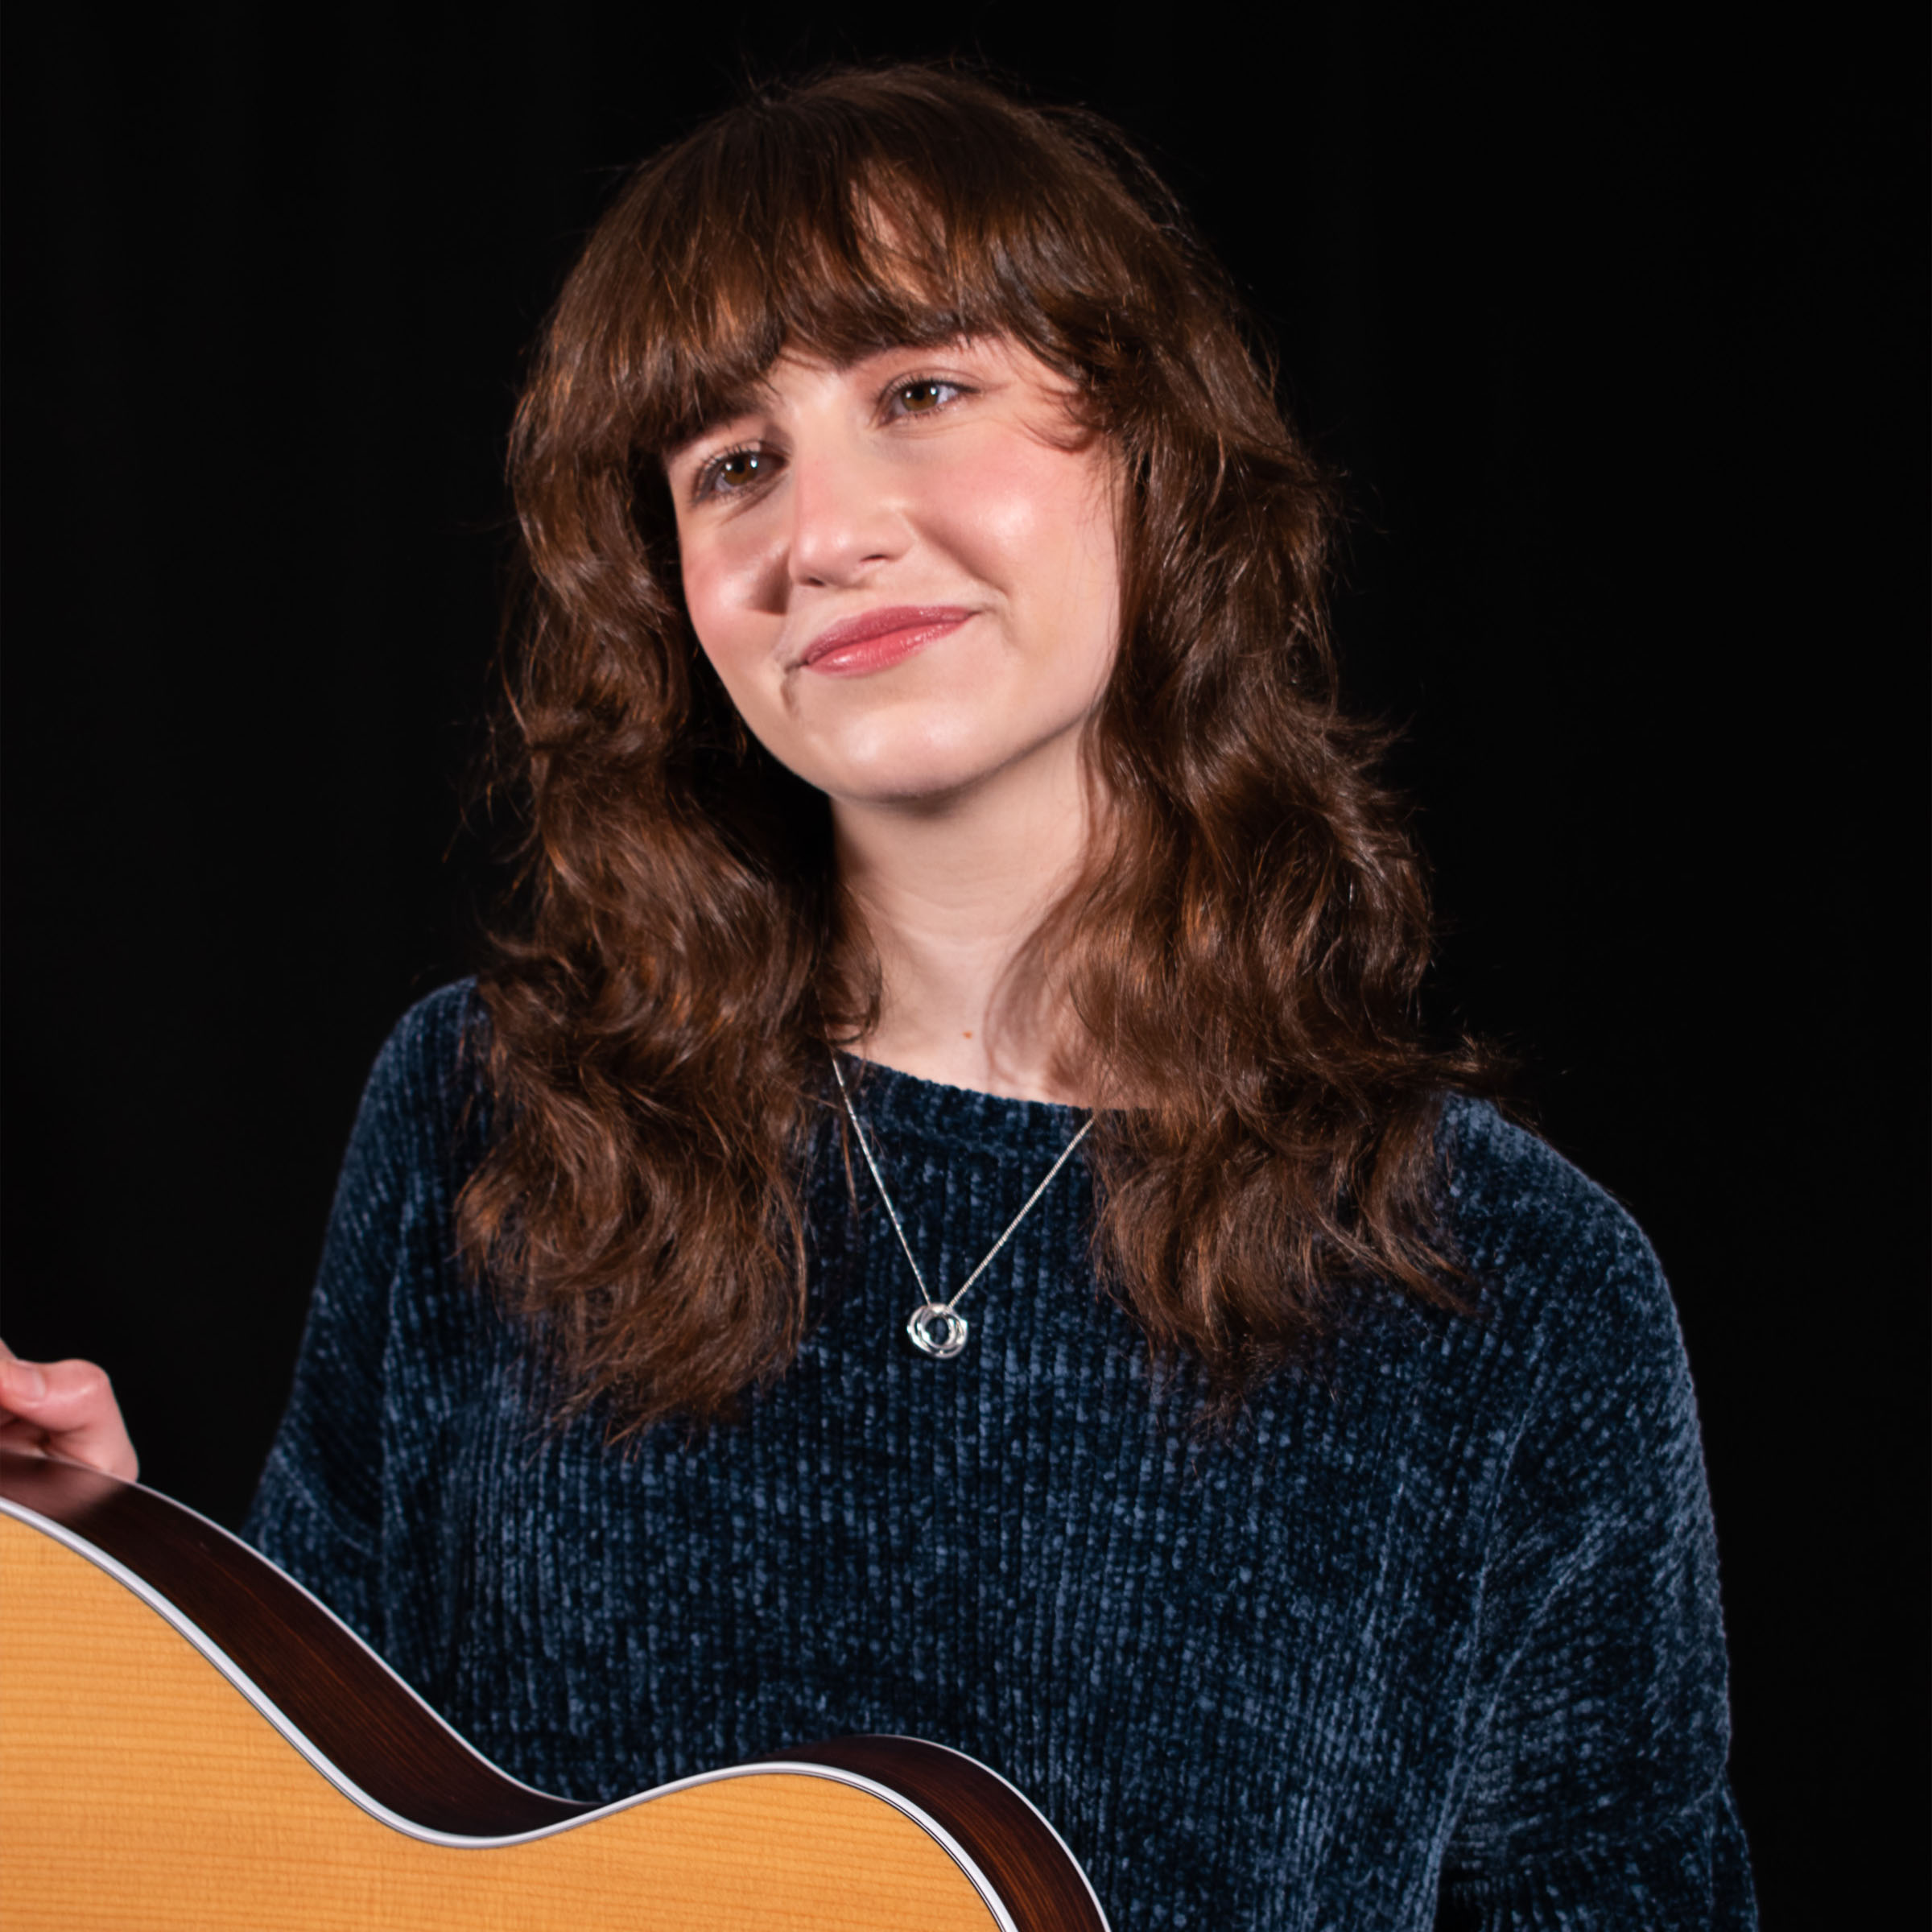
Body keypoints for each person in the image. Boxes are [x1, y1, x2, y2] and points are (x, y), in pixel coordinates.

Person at [0, 64, 1756, 1927]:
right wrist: (106, 1610)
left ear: (1153, 452)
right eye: (731, 463)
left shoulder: (1507, 1283)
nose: (820, 532)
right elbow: (305, 1861)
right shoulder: (488, 1116)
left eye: (922, 392)